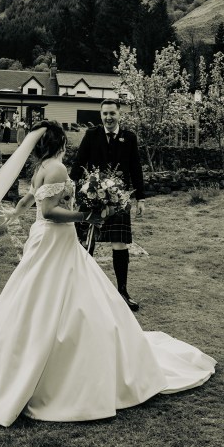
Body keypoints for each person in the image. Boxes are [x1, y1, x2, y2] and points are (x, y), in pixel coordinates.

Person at [0, 120, 215, 427]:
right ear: (60, 143)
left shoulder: (41, 167)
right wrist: (86, 216)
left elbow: (31, 196)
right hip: (55, 238)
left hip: (48, 239)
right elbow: (51, 211)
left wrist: (16, 212)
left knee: (38, 294)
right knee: (56, 293)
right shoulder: (56, 167)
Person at [70, 98, 144, 311]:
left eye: (112, 113)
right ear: (101, 115)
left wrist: (141, 198)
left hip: (119, 199)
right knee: (86, 243)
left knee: (120, 243)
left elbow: (136, 167)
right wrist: (72, 191)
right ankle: (82, 293)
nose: (109, 117)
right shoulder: (91, 135)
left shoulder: (129, 137)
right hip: (91, 196)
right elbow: (79, 163)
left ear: (119, 114)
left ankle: (122, 292)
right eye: (105, 114)